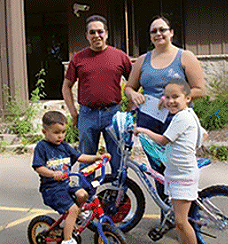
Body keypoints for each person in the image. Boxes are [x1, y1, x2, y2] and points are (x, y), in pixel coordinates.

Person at [125, 15, 206, 199]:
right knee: (157, 170)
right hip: (149, 121)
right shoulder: (142, 60)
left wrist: (171, 100)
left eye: (162, 29)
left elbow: (199, 90)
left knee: (178, 168)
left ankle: (186, 214)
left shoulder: (185, 57)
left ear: (171, 33)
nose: (158, 34)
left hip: (177, 122)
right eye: (154, 31)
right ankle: (166, 214)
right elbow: (129, 87)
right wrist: (133, 94)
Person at [62, 15, 132, 178]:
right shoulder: (78, 58)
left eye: (100, 31)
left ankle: (118, 197)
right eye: (92, 32)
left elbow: (134, 83)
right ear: (87, 36)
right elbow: (66, 87)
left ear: (106, 34)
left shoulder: (120, 56)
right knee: (86, 158)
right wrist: (73, 113)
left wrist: (129, 109)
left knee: (118, 158)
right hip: (87, 115)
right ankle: (87, 198)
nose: (96, 36)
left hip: (113, 113)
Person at [134, 79, 202, 244]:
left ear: (188, 98)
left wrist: (143, 130)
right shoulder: (186, 114)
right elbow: (201, 137)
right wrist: (162, 104)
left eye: (175, 97)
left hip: (182, 175)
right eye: (167, 97)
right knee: (179, 222)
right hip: (176, 172)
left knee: (181, 221)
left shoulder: (181, 118)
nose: (171, 101)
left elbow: (163, 140)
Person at [32, 111, 110, 244]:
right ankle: (67, 240)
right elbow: (38, 167)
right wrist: (52, 174)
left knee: (83, 195)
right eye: (56, 133)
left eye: (63, 132)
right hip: (51, 188)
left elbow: (79, 157)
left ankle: (75, 216)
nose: (60, 136)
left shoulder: (64, 147)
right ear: (44, 132)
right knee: (73, 209)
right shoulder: (42, 147)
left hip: (66, 184)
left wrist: (97, 157)